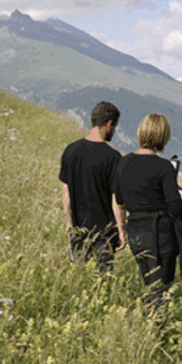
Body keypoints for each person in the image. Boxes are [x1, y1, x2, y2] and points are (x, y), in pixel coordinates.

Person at [111, 113, 182, 314]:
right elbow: (174, 207)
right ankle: (154, 327)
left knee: (148, 279)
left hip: (135, 231)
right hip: (160, 233)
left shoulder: (122, 163)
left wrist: (121, 231)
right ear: (163, 136)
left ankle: (147, 322)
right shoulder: (164, 167)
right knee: (162, 285)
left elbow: (119, 201)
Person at [59, 101, 122, 271]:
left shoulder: (71, 151)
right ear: (109, 124)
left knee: (80, 275)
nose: (114, 131)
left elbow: (66, 193)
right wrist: (121, 231)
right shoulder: (113, 157)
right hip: (105, 233)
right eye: (114, 126)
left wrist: (69, 223)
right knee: (104, 280)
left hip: (78, 228)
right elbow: (116, 199)